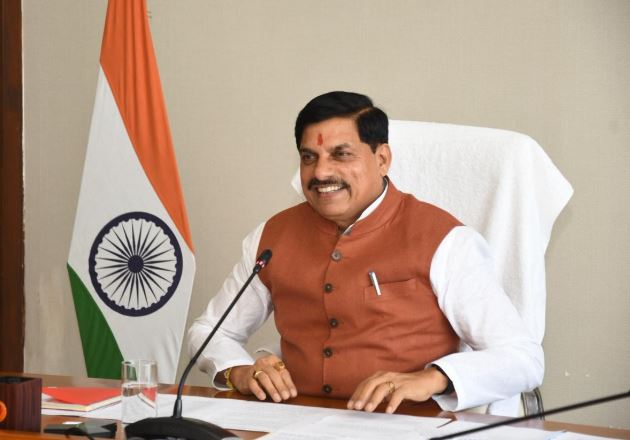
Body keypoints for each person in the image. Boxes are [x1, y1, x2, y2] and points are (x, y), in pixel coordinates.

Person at [188, 91, 543, 413]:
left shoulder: (444, 239)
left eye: (341, 155)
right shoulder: (272, 236)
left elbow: (523, 358)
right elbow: (209, 330)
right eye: (309, 157)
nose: (321, 172)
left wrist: (433, 378)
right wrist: (238, 371)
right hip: (291, 420)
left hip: (405, 426)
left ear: (382, 159)